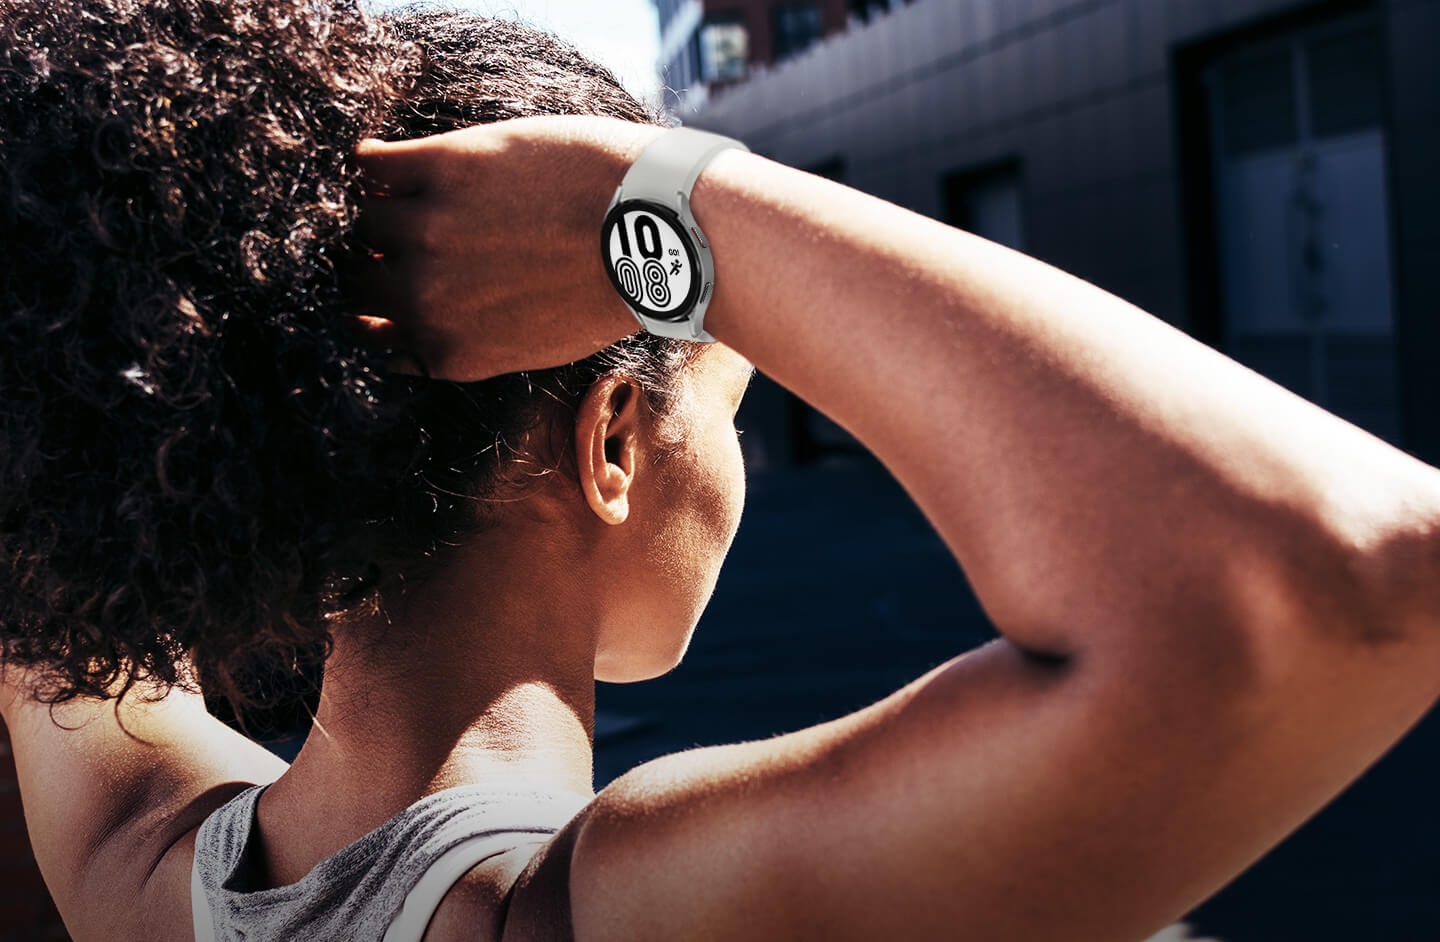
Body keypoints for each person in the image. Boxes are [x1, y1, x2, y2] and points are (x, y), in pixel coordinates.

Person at [3, 1, 1439, 940]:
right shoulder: (573, 912)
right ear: (613, 443)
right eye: (730, 405)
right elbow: (1336, 575)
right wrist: (679, 209)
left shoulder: (139, 863)